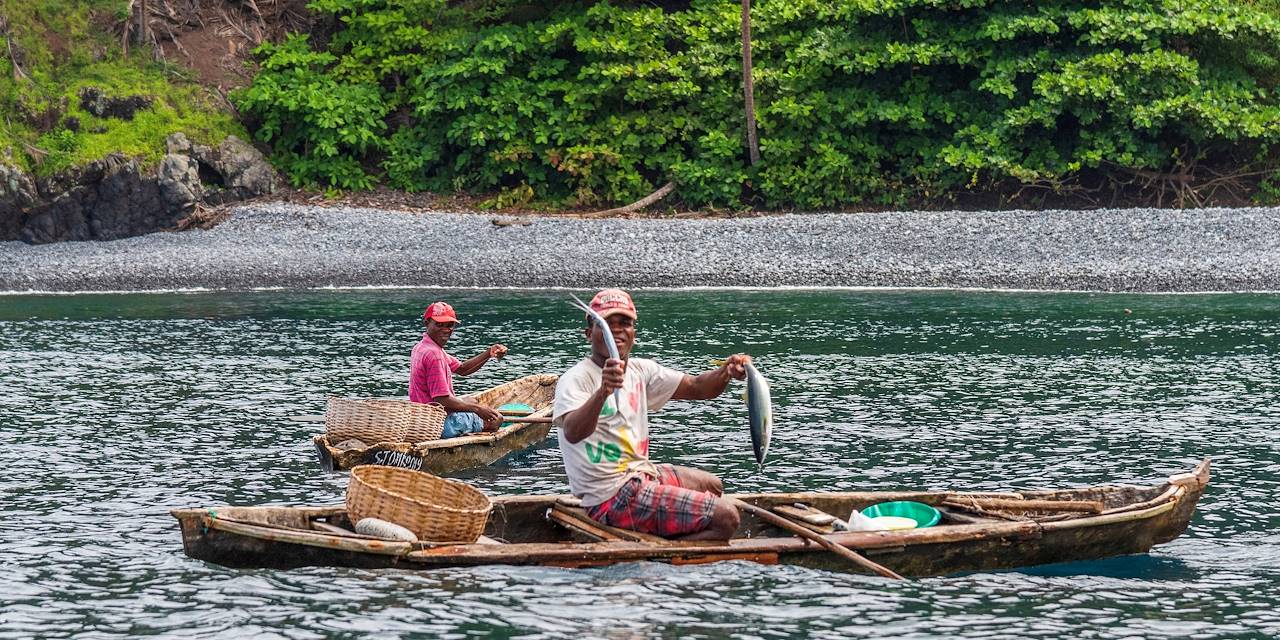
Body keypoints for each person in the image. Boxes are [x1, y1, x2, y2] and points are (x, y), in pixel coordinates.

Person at [552, 288, 750, 540]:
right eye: (606, 325)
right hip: (609, 496)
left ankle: (668, 530)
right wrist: (603, 391)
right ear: (589, 334)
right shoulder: (576, 379)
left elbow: (699, 388)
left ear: (634, 332)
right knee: (727, 519)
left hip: (640, 474)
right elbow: (572, 432)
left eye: (625, 323)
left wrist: (726, 372)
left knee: (713, 486)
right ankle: (663, 557)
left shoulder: (640, 371)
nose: (617, 331)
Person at [409, 301, 508, 438]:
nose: (445, 329)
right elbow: (441, 400)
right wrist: (478, 410)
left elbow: (462, 369)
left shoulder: (422, 347)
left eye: (449, 325)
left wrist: (488, 353)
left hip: (422, 418)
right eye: (439, 324)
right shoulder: (434, 355)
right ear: (427, 323)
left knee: (471, 400)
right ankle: (480, 437)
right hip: (440, 424)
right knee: (497, 419)